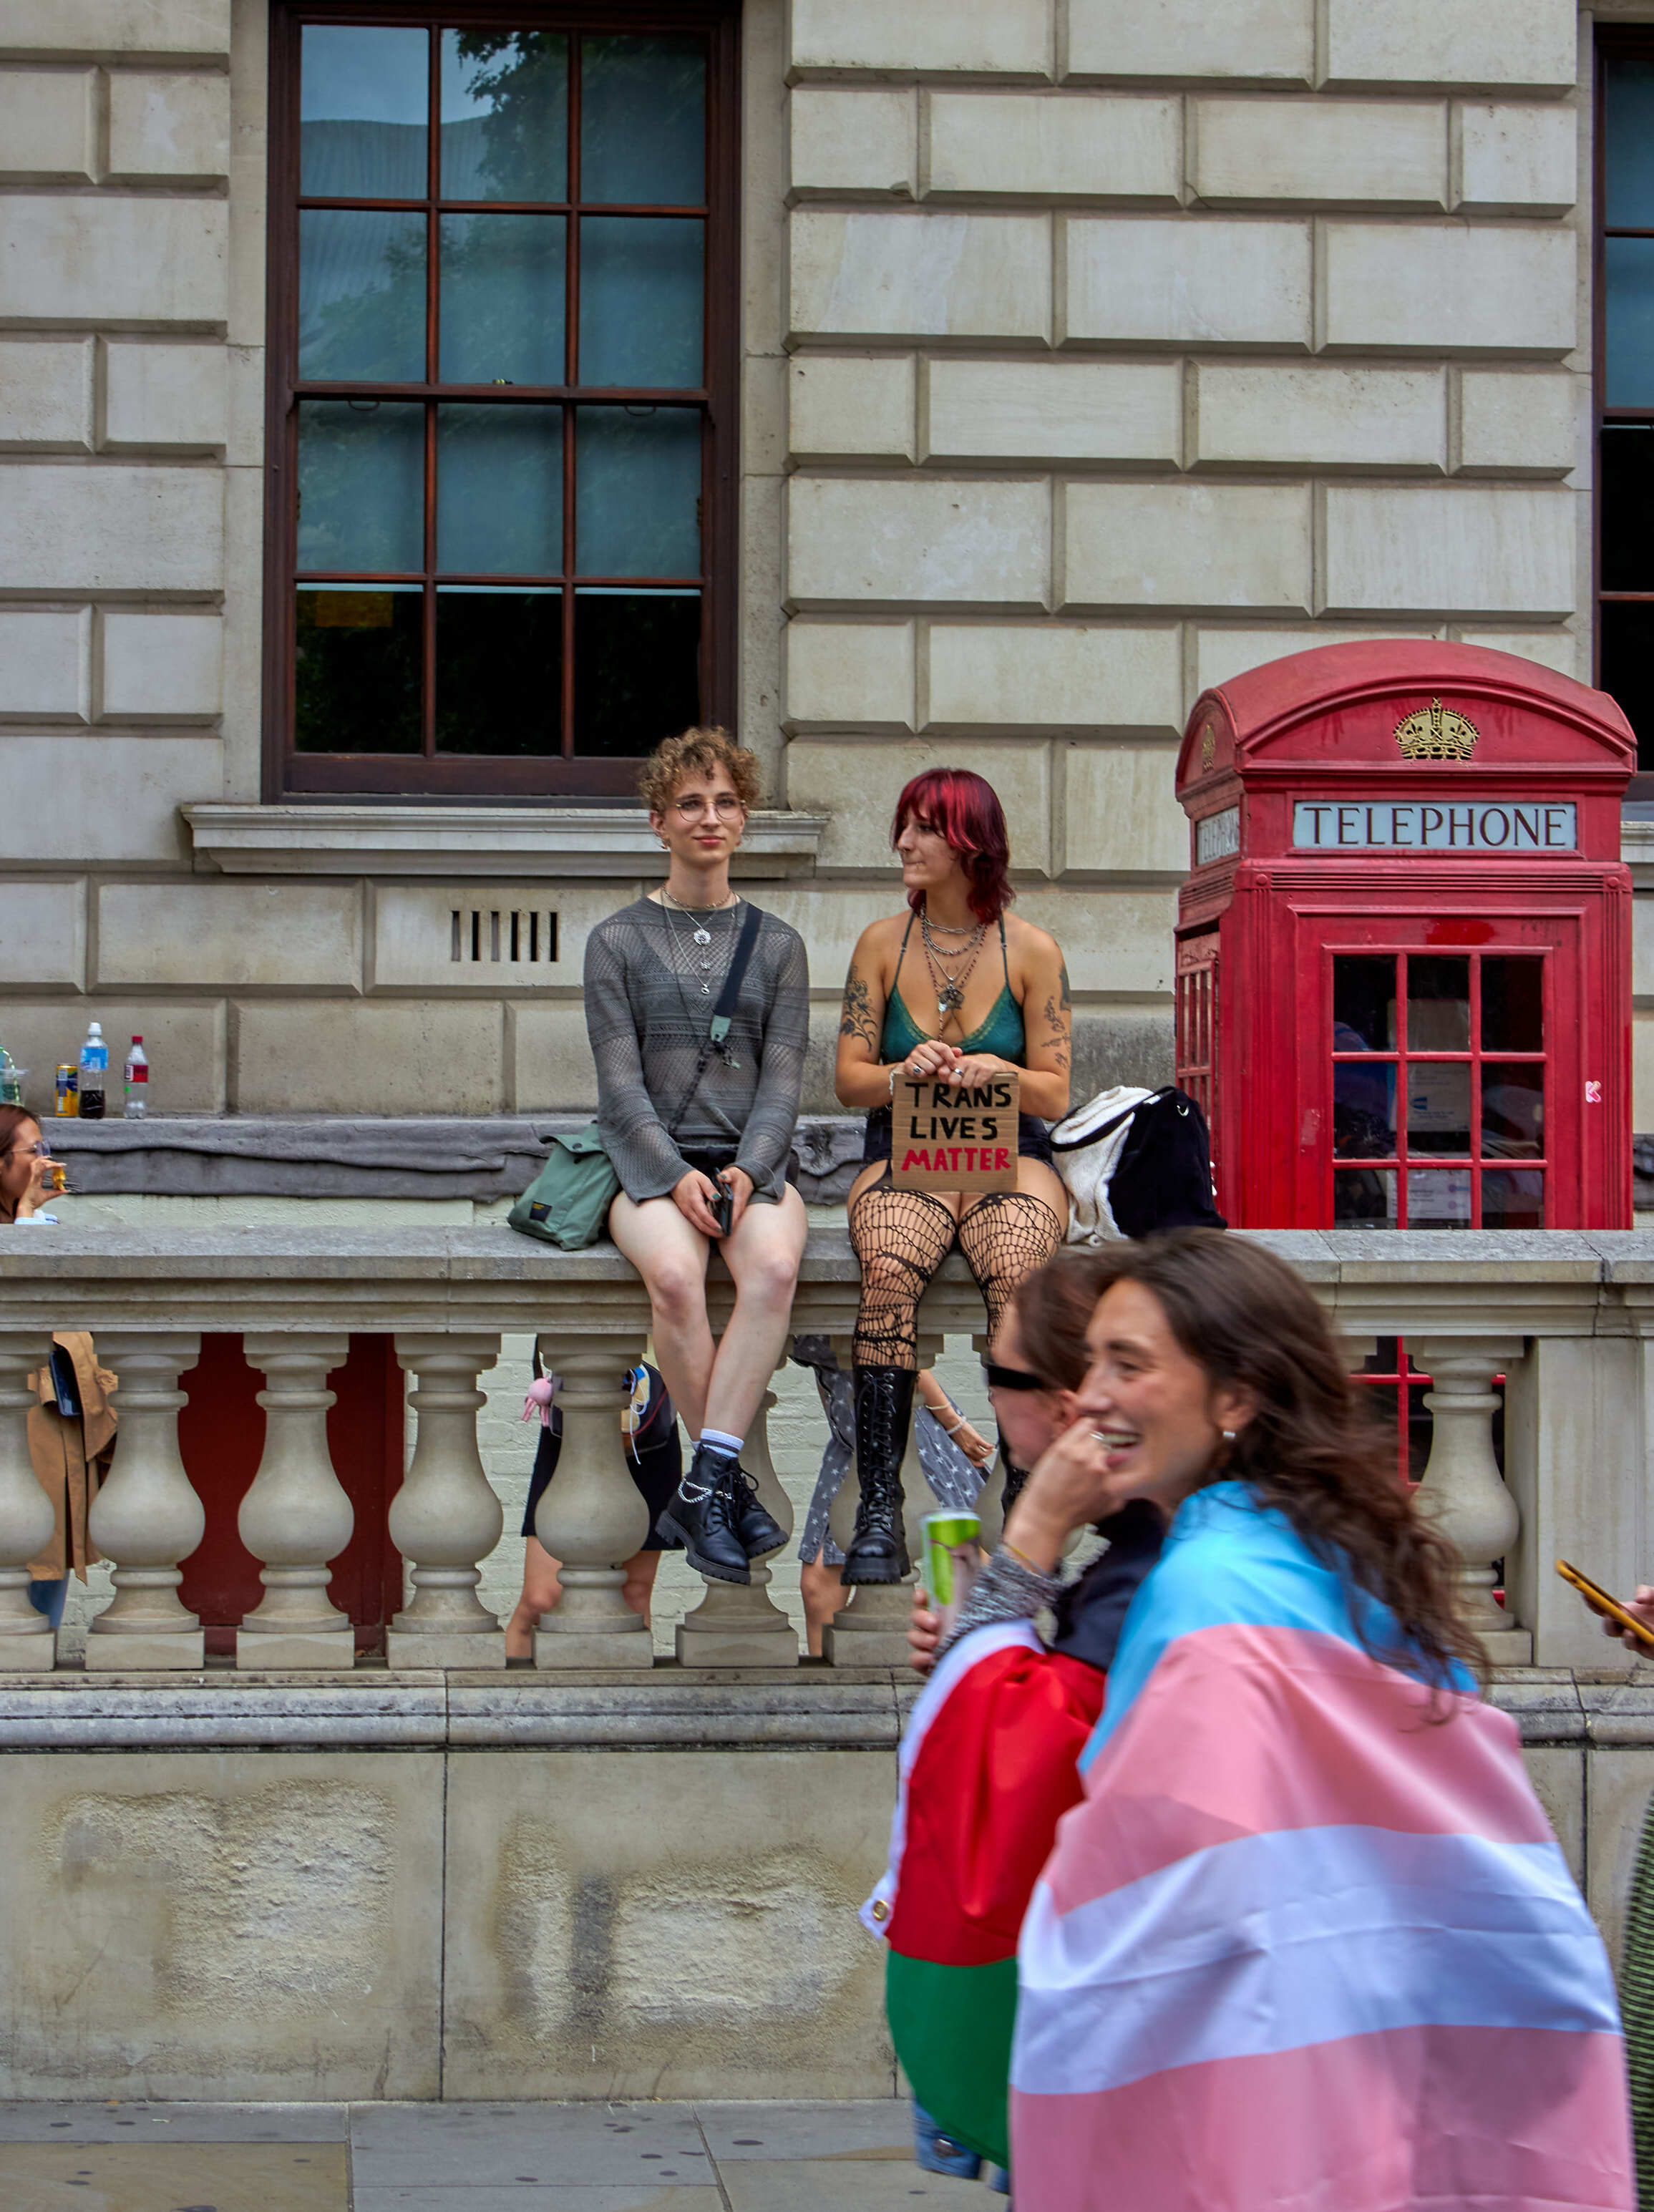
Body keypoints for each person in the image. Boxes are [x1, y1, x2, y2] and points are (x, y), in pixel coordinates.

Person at [945, 1229, 1626, 2212]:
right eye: (1089, 1358)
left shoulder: (1204, 1590)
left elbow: (1149, 1897)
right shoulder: (1329, 1542)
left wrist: (1022, 1550)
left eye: (1126, 1363)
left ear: (1234, 1395)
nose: (1085, 1393)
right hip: (1385, 2045)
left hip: (1268, 2083)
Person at [866, 1249, 1164, 2179]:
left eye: (998, 1375)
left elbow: (1011, 1765)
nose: (985, 1395)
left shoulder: (1153, 1570)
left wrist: (1029, 1541)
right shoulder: (1148, 1548)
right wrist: (986, 1637)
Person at [584, 727, 809, 1587]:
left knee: (776, 1269)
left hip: (752, 1166)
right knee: (677, 1283)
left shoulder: (780, 944)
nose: (707, 817)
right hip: (648, 1167)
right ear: (658, 822)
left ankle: (705, 1482)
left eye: (723, 802)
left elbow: (784, 1085)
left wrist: (749, 1169)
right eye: (689, 803)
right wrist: (673, 1173)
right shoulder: (617, 941)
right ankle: (727, 1488)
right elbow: (618, 1086)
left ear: (743, 820)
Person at [834, 767, 1071, 1584]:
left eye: (924, 828)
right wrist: (906, 1072)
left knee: (1016, 1271)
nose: (903, 842)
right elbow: (848, 1076)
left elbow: (1055, 1089)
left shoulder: (1032, 949)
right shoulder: (878, 943)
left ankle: (1028, 1501)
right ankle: (877, 1511)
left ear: (970, 842)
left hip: (1011, 1149)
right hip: (906, 1149)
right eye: (903, 825)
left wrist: (988, 1071)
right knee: (889, 1267)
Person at [789, 1336, 994, 1656]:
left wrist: (954, 1424)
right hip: (851, 1430)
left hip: (899, 1421)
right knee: (818, 1585)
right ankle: (827, 1690)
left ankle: (982, 1677)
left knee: (970, 1560)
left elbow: (896, 1348)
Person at [0, 1106, 117, 1634]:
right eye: (32, 1151)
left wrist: (31, 1220)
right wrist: (26, 1223)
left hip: (55, 1413)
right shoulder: (22, 1226)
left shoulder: (33, 1223)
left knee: (48, 1549)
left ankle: (34, 1657)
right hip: (17, 1417)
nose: (46, 1161)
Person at [505, 1361, 680, 1660]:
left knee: (633, 1596)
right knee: (541, 1599)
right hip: (574, 1419)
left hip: (651, 1431)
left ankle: (625, 1703)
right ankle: (510, 1704)